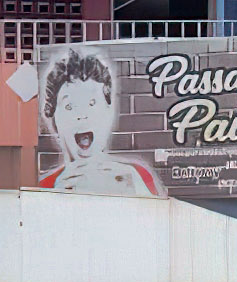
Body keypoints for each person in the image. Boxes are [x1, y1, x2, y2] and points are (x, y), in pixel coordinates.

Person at [36, 46, 161, 196]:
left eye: (91, 103)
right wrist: (53, 199)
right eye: (69, 106)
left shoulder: (135, 176)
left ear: (108, 114)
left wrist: (137, 188)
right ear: (55, 124)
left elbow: (154, 217)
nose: (82, 115)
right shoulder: (47, 187)